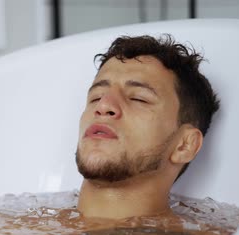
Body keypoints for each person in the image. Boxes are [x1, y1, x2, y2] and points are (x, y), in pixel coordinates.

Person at [75, 34, 219, 220]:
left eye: (138, 98)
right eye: (96, 97)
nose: (103, 106)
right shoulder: (26, 228)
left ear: (184, 145)